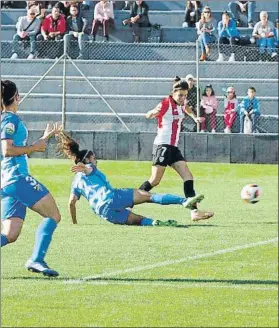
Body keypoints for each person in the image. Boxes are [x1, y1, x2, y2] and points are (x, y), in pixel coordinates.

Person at [58, 131, 204, 226]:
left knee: (138, 220)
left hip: (103, 212)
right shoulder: (90, 168)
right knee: (150, 197)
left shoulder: (76, 181)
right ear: (89, 160)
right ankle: (184, 201)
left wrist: (75, 223)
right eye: (94, 158)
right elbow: (89, 169)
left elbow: (71, 203)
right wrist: (86, 167)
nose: (96, 161)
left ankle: (155, 223)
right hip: (112, 197)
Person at [1, 80, 61, 277]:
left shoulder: (6, 119)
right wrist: (34, 147)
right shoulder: (10, 120)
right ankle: (36, 259)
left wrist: (43, 140)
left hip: (8, 182)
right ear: (16, 96)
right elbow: (8, 150)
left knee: (10, 234)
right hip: (17, 178)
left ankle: (37, 260)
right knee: (53, 215)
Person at [138, 77, 214, 222]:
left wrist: (194, 117)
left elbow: (186, 108)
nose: (183, 98)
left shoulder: (182, 103)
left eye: (185, 95)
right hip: (162, 146)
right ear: (173, 93)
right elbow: (155, 111)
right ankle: (129, 202)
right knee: (154, 180)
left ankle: (194, 212)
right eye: (180, 95)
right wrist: (151, 113)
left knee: (188, 177)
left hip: (173, 148)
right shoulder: (166, 103)